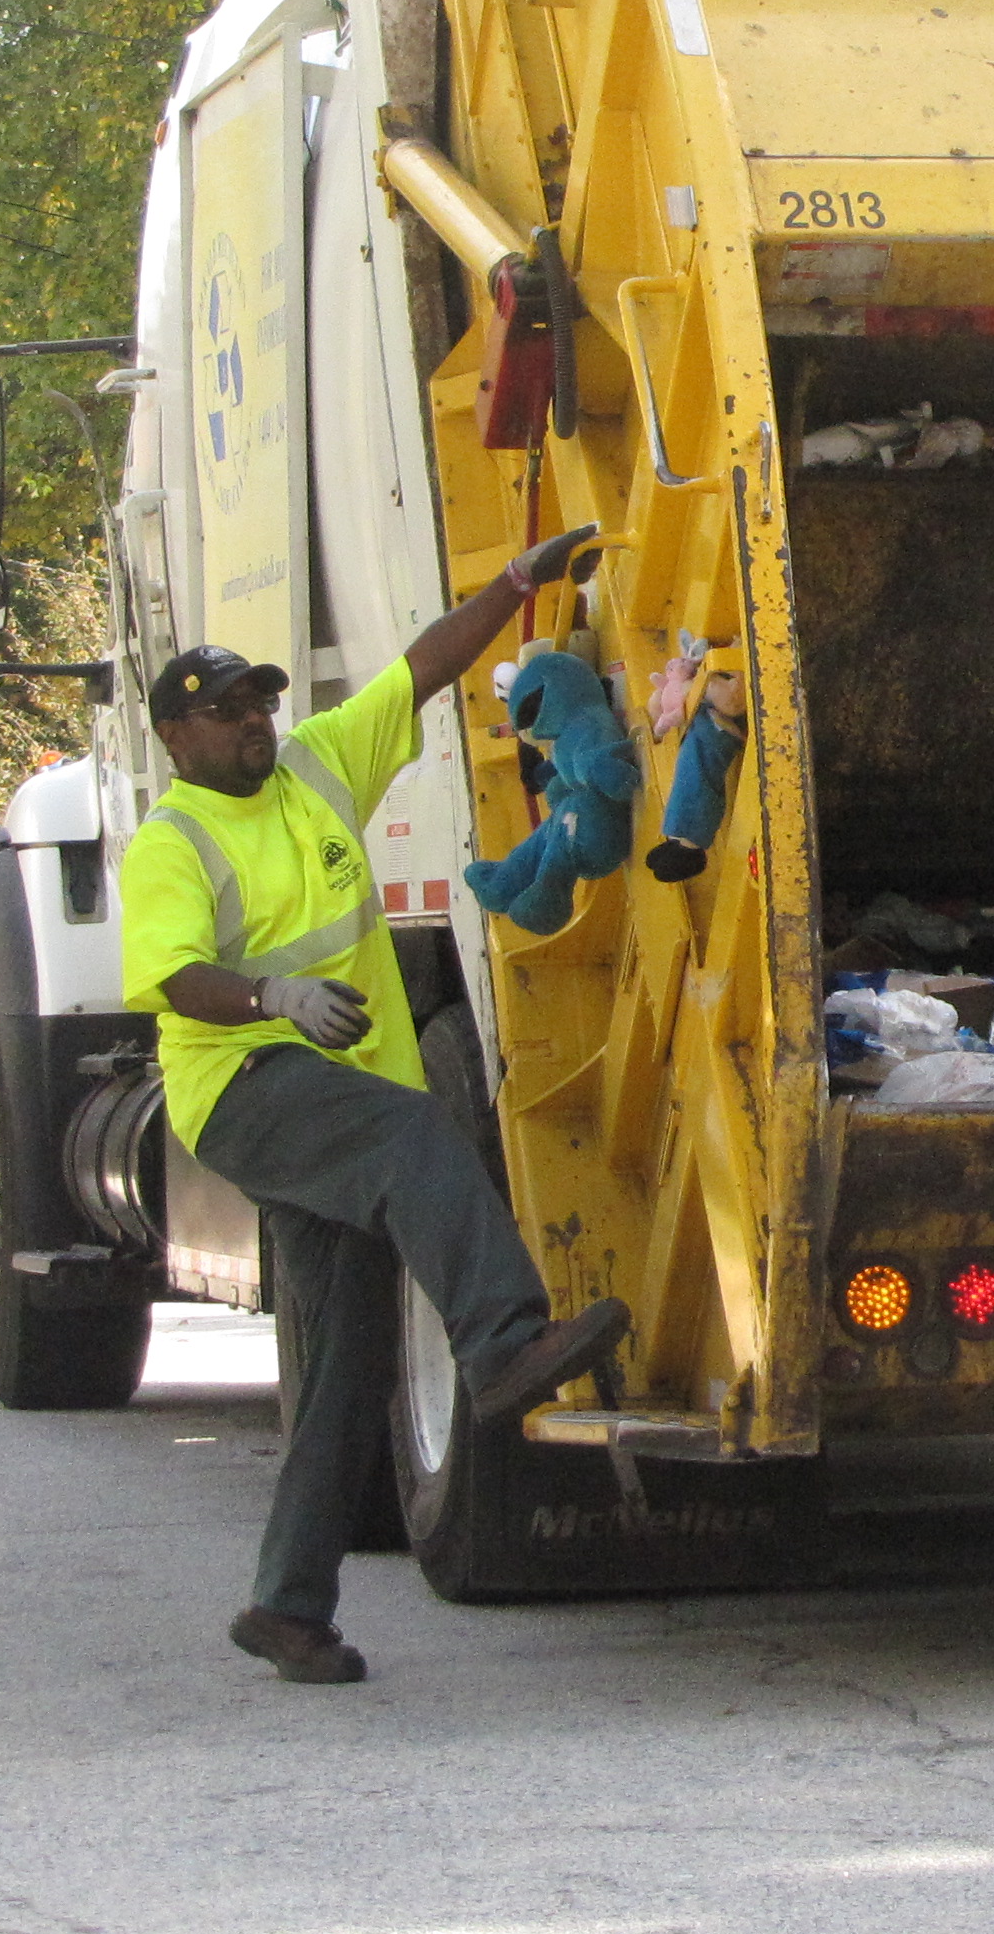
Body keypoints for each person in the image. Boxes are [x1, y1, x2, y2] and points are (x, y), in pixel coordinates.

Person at [118, 521, 625, 1685]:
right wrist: (274, 996)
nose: (256, 722)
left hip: (331, 1084)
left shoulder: (313, 769)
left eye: (261, 703)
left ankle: (286, 1607)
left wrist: (513, 583)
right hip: (243, 1089)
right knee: (411, 1129)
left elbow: (422, 668)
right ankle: (502, 1342)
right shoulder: (172, 842)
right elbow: (169, 975)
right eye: (230, 710)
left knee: (345, 1358)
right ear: (177, 734)